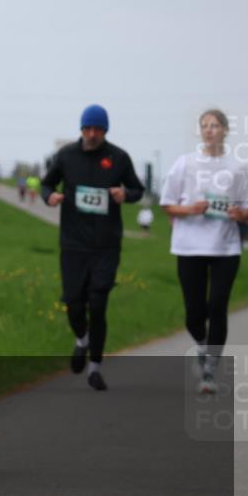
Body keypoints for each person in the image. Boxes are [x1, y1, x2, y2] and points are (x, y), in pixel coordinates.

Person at [41, 104, 145, 391]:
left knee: (98, 304)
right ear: (81, 129)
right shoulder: (66, 156)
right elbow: (46, 185)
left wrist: (125, 193)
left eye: (97, 129)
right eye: (87, 128)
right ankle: (81, 340)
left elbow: (138, 189)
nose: (92, 134)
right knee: (74, 304)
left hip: (106, 245)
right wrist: (49, 196)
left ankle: (95, 368)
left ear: (105, 131)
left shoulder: (118, 157)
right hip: (73, 244)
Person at [159, 109, 248, 393]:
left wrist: (241, 214)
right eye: (204, 126)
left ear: (225, 130)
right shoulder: (184, 164)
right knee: (194, 313)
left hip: (225, 247)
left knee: (218, 305)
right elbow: (167, 204)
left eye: (215, 125)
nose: (209, 130)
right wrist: (189, 209)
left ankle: (211, 368)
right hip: (189, 246)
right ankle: (202, 344)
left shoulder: (237, 168)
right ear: (200, 132)